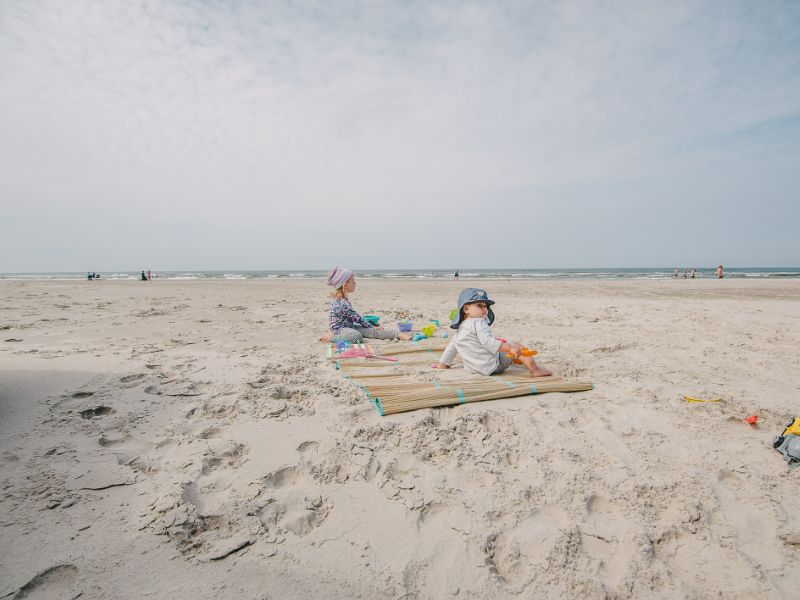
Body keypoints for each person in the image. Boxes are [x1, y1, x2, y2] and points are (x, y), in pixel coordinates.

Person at [434, 288, 551, 378]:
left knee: (500, 341)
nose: (485, 309)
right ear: (466, 309)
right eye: (480, 305)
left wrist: (442, 364)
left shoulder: (460, 329)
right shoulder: (479, 322)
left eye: (486, 306)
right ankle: (535, 370)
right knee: (517, 346)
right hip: (493, 367)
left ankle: (515, 358)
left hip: (473, 369)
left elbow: (452, 348)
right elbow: (488, 342)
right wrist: (510, 348)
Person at [321, 267, 413, 344]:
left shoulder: (343, 299)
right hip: (341, 330)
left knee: (372, 332)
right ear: (345, 284)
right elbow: (357, 318)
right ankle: (332, 337)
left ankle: (397, 334)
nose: (355, 283)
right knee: (357, 337)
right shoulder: (341, 303)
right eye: (353, 281)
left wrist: (371, 327)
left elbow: (355, 319)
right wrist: (370, 326)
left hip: (349, 326)